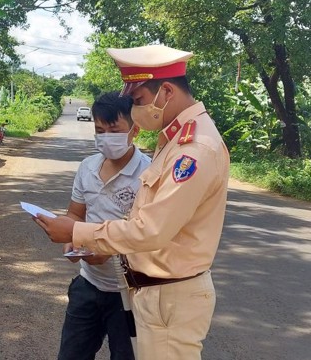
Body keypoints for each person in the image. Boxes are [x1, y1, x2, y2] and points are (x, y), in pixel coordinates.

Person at [34, 44, 230, 360]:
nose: (136, 108)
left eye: (138, 101)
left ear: (166, 91)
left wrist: (78, 233)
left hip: (170, 295)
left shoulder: (195, 149)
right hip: (153, 292)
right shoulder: (176, 140)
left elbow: (149, 230)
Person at [58, 92, 150, 360]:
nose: (106, 137)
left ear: (135, 130)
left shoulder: (149, 174)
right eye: (100, 130)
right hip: (88, 285)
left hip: (130, 292)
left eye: (114, 130)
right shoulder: (87, 168)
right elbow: (75, 214)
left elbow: (149, 234)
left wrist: (109, 249)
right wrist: (71, 240)